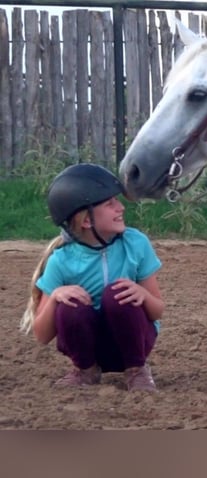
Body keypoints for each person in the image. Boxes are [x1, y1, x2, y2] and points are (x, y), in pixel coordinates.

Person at [19, 163, 164, 392]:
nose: (121, 208)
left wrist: (143, 295)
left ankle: (136, 370)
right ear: (86, 221)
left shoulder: (136, 244)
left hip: (132, 345)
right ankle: (86, 370)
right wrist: (56, 296)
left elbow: (158, 311)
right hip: (87, 350)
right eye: (110, 203)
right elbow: (42, 335)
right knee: (70, 304)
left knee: (117, 294)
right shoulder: (61, 260)